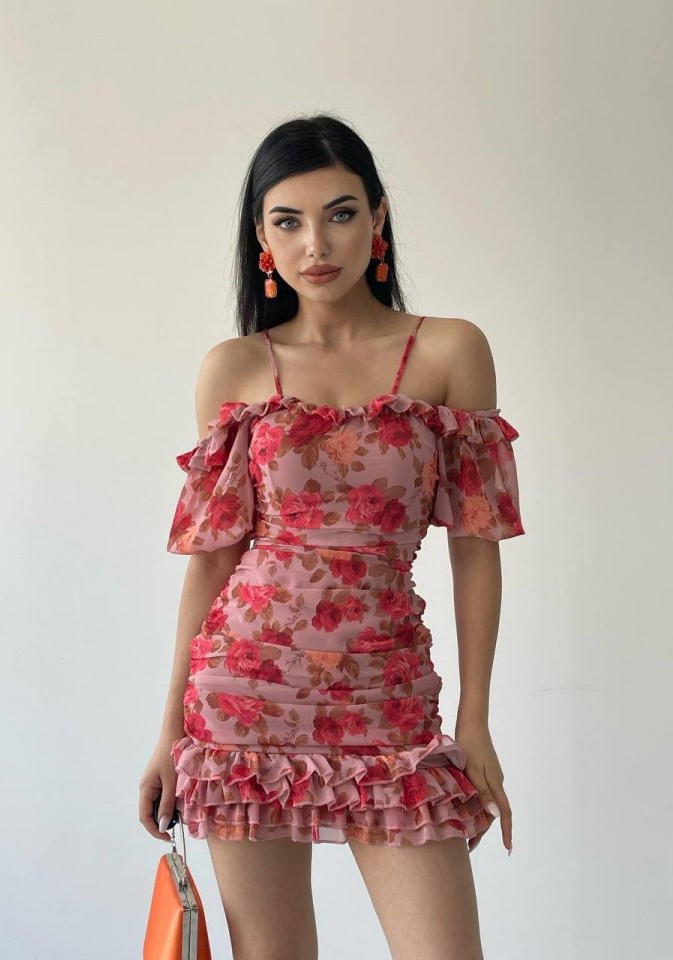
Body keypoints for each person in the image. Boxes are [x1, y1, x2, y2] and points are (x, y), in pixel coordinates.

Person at [139, 113, 525, 960]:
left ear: (378, 217)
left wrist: (476, 720)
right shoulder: (235, 366)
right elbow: (213, 559)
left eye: (341, 213)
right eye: (289, 221)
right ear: (262, 237)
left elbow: (477, 549)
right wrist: (170, 730)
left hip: (391, 700)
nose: (316, 244)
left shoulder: (450, 350)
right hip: (244, 704)